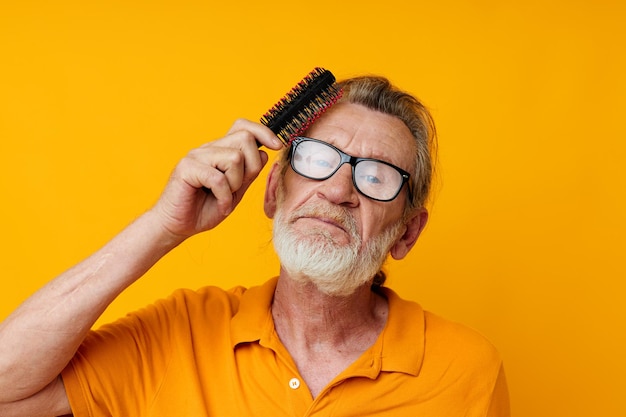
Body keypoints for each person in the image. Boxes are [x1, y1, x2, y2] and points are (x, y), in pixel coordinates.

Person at [0, 76, 510, 416]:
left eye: (376, 177)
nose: (337, 190)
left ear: (407, 233)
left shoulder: (466, 372)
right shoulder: (180, 335)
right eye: (315, 158)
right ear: (272, 192)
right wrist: (163, 226)